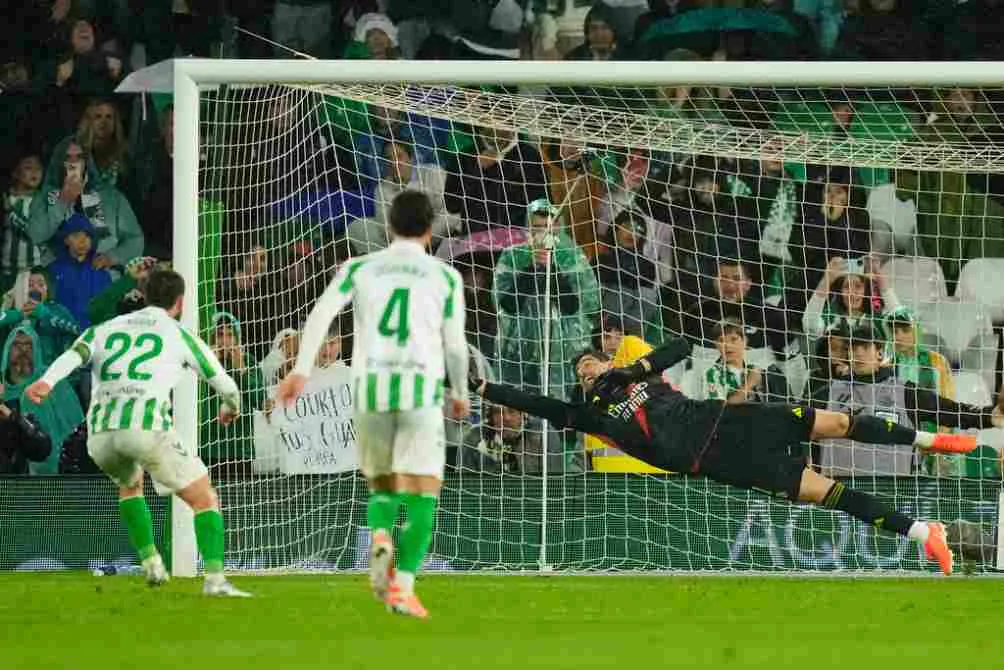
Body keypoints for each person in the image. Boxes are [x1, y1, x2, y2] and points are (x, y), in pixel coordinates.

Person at [470, 337, 994, 576]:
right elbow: (533, 402)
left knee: (834, 422)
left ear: (609, 360)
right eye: (581, 370)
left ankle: (929, 440)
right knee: (825, 493)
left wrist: (635, 369)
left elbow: (681, 346)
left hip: (725, 418)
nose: (587, 370)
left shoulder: (640, 375)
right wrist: (485, 387)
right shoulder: (586, 415)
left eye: (593, 361)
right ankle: (926, 534)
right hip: (717, 462)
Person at [274, 190, 470, 618]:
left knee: (382, 482)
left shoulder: (359, 267)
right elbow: (455, 347)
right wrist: (460, 392)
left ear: (388, 226)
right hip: (419, 391)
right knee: (423, 491)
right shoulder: (445, 277)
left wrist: (301, 370)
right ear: (429, 228)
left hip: (370, 389)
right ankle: (403, 586)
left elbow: (321, 315)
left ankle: (380, 535)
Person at [26, 270, 250, 597]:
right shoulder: (178, 333)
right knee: (204, 499)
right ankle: (215, 581)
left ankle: (152, 564)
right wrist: (231, 407)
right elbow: (225, 383)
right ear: (180, 302)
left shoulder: (105, 328)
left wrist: (47, 381)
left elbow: (75, 355)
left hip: (101, 435)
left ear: (144, 296)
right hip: (145, 428)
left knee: (130, 485)